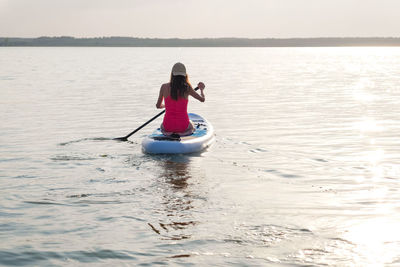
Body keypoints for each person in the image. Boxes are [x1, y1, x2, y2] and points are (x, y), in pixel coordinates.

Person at [156, 62, 205, 136]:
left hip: (168, 126)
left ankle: (169, 133)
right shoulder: (187, 87)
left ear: (172, 74)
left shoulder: (164, 87)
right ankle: (182, 134)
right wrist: (201, 89)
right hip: (183, 127)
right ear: (184, 75)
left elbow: (158, 106)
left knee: (162, 126)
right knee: (191, 124)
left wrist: (166, 105)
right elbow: (202, 99)